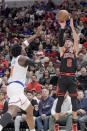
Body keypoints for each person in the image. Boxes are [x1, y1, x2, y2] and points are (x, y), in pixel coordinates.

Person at [0, 25, 43, 131]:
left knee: (29, 110)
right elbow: (32, 63)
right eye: (23, 49)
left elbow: (25, 43)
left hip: (15, 87)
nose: (24, 48)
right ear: (20, 51)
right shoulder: (21, 58)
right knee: (12, 111)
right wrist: (41, 62)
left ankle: (32, 130)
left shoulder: (15, 57)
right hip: (16, 88)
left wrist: (36, 35)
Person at [55, 18, 78, 130]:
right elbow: (60, 40)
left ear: (72, 44)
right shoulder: (62, 52)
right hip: (63, 78)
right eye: (66, 41)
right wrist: (63, 28)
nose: (67, 42)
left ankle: (74, 123)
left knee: (74, 101)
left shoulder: (75, 51)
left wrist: (72, 27)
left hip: (72, 78)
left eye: (69, 41)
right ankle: (57, 123)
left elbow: (76, 39)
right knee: (59, 100)